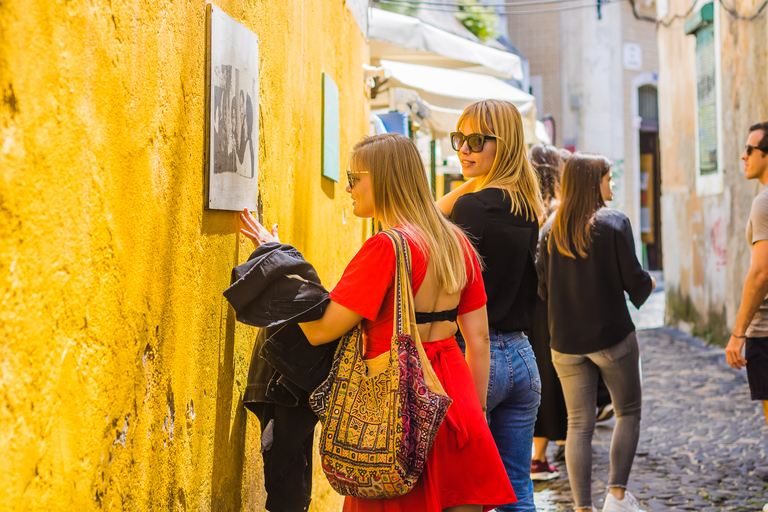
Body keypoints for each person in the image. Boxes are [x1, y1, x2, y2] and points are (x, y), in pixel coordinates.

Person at [240, 132, 517, 512]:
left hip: (396, 405)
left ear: (383, 179)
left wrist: (276, 268)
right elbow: (480, 339)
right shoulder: (459, 244)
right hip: (457, 404)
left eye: (354, 179)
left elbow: (322, 329)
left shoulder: (386, 247)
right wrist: (477, 416)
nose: (349, 189)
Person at [437, 99, 544, 512]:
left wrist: (469, 185)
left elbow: (427, 218)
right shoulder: (526, 207)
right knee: (517, 491)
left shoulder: (471, 208)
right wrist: (476, 178)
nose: (464, 149)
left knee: (459, 494)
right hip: (521, 358)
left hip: (475, 357)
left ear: (505, 143)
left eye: (477, 140)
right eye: (459, 139)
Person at [538, 153, 655, 512]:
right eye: (608, 178)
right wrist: (647, 283)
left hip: (565, 343)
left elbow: (542, 290)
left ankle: (583, 507)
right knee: (628, 411)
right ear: (593, 182)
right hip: (612, 339)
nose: (612, 184)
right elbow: (635, 282)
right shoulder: (614, 223)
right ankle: (617, 497)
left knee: (579, 425)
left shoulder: (548, 230)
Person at [724, 122, 768, 512]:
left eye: (751, 149)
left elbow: (760, 273)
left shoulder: (764, 203)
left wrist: (739, 333)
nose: (743, 155)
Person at [526, 144, 567, 481]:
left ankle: (536, 454)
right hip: (549, 308)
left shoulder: (522, 209)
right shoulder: (556, 214)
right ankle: (538, 456)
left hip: (525, 309)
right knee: (547, 379)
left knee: (535, 379)